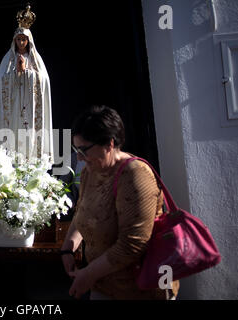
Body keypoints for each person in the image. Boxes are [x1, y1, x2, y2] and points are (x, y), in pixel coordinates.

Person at [61, 106, 179, 300]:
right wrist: (68, 247)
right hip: (103, 285)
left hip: (140, 290)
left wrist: (88, 274)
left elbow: (133, 244)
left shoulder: (135, 175)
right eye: (75, 150)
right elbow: (83, 211)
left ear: (109, 143)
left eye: (83, 150)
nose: (79, 157)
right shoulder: (90, 172)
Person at [0, 4, 53, 160]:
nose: (21, 43)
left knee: (30, 138)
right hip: (14, 108)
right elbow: (0, 80)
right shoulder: (8, 59)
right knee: (14, 139)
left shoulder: (35, 59)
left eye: (24, 40)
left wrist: (27, 73)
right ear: (14, 40)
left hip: (31, 108)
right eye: (19, 39)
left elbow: (44, 80)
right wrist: (15, 73)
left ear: (29, 41)